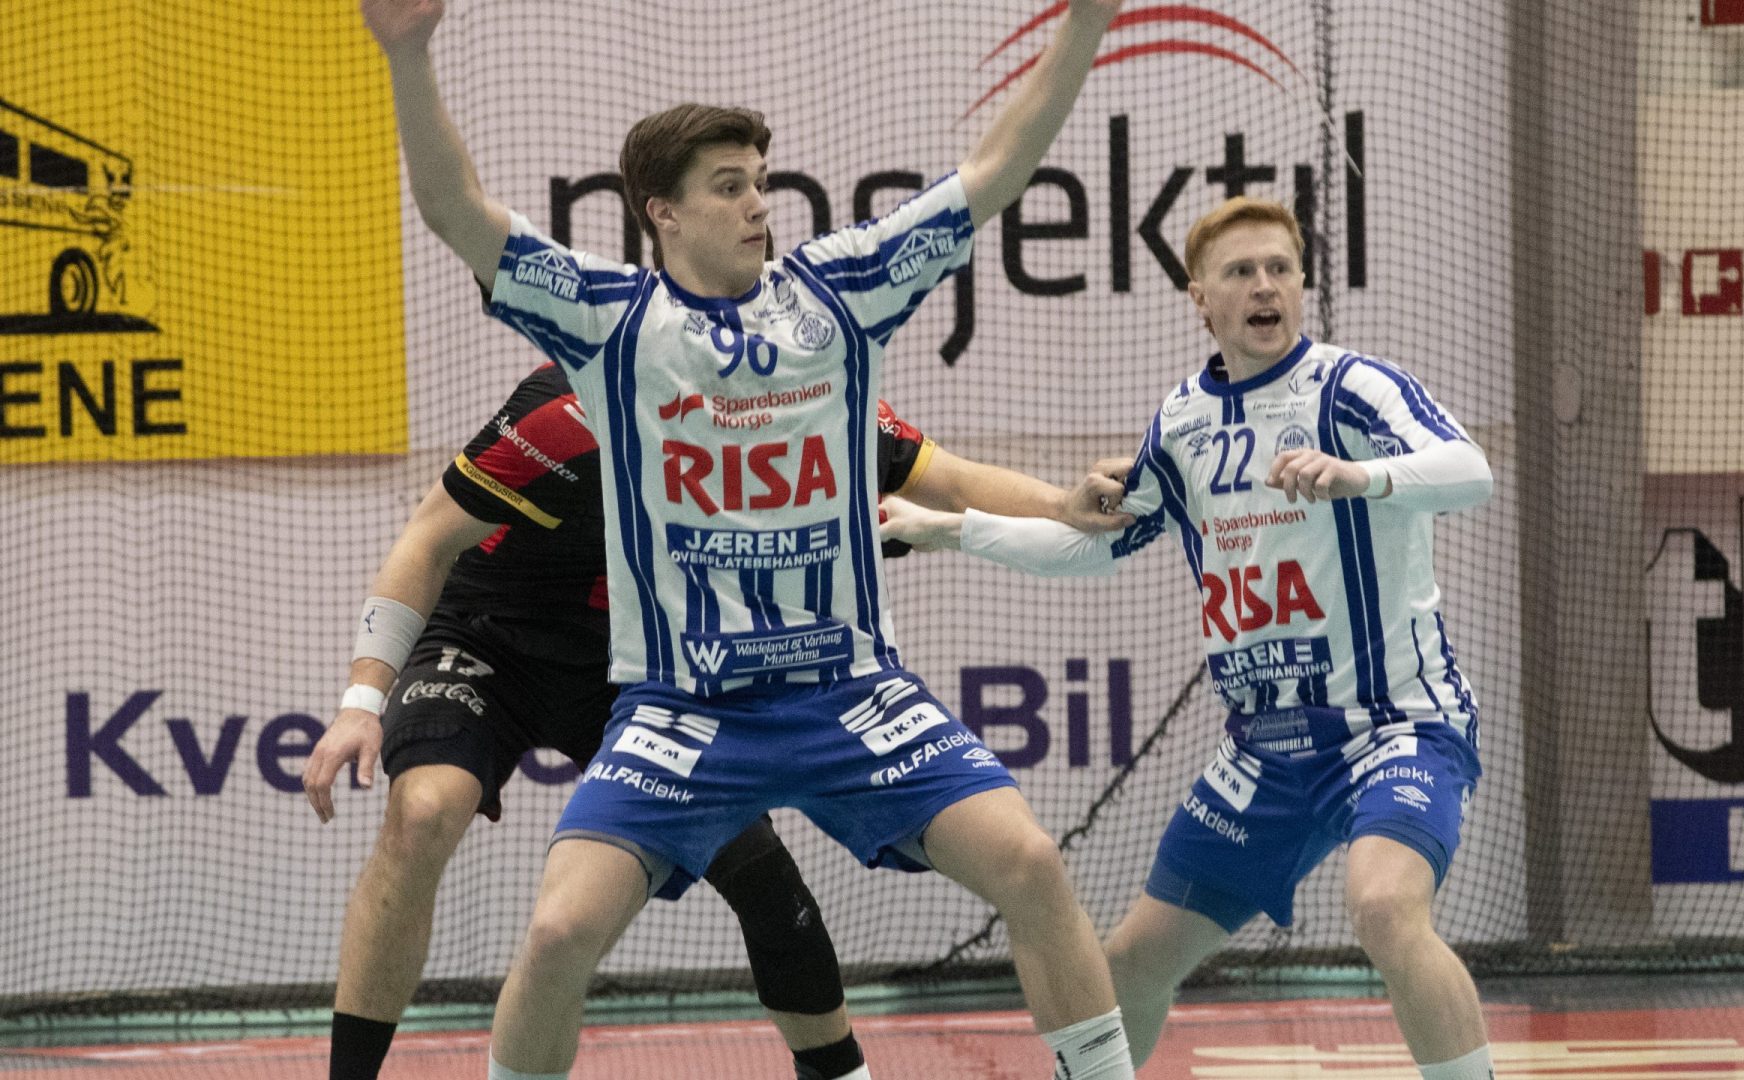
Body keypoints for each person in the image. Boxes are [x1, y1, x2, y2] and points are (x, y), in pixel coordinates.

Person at [358, 1, 1137, 1076]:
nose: (758, 204)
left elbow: (995, 174)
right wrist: (408, 55)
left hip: (848, 691)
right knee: (558, 932)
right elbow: (457, 211)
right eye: (729, 186)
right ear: (663, 213)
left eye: (760, 182)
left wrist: (1085, 23)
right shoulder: (611, 323)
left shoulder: (842, 292)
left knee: (1032, 864)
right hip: (685, 708)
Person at [304, 363, 1074, 1080]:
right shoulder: (570, 406)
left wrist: (1072, 507)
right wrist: (361, 702)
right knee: (424, 811)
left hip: (637, 665)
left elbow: (948, 482)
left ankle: (841, 1070)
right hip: (487, 637)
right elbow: (428, 535)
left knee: (760, 872)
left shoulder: (798, 397)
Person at [879, 196, 1499, 1080]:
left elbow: (1470, 470)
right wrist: (950, 529)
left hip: (1394, 726)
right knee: (1131, 963)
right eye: (1241, 271)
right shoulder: (1182, 422)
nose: (1265, 286)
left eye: (1280, 268)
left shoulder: (1352, 388)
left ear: (1302, 283)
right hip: (1267, 751)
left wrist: (1362, 476)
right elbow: (1091, 548)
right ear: (1200, 296)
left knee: (1384, 909)